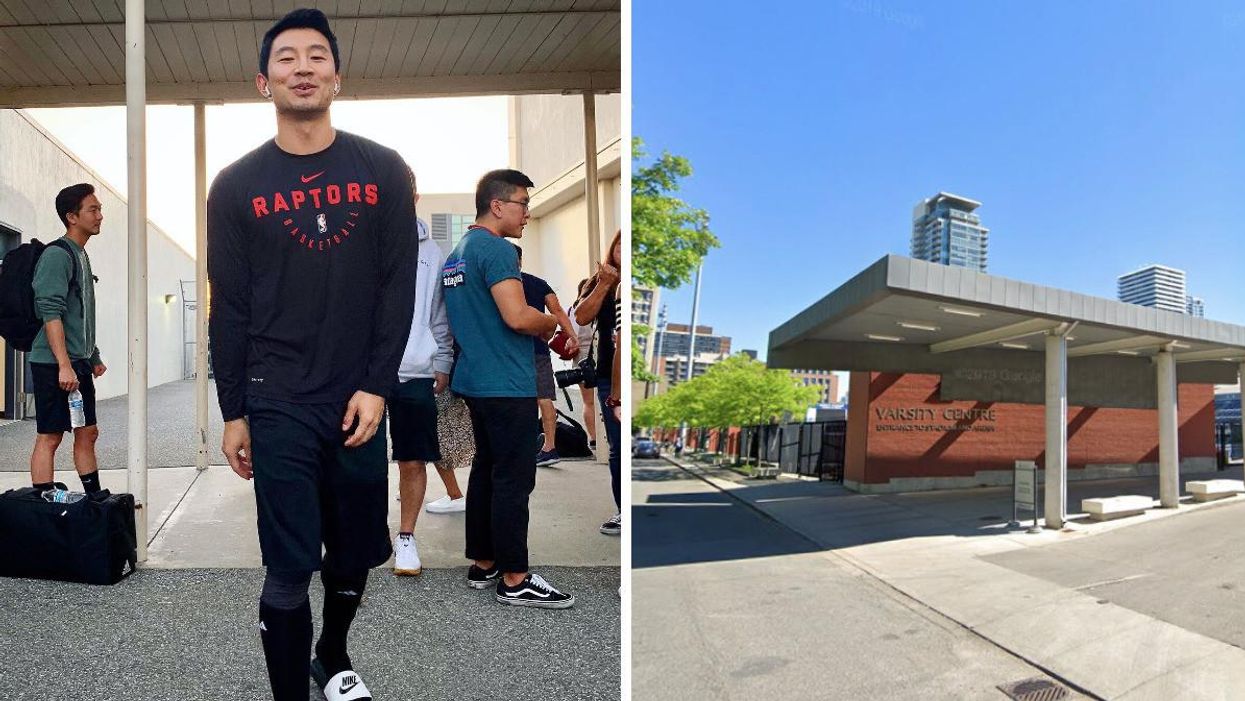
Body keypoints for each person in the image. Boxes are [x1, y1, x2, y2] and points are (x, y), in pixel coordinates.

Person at [206, 9, 417, 701]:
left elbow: (395, 288)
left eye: (317, 56)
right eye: (288, 58)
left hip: (356, 393)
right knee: (289, 560)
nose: (304, 66)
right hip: (276, 393)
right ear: (263, 80)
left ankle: (331, 650)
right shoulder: (235, 186)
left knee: (353, 552)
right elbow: (229, 304)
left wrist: (377, 384)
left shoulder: (383, 169)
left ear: (336, 74)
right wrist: (233, 409)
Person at [442, 168, 574, 609]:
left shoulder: (457, 255)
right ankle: (516, 578)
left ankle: (485, 563)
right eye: (522, 204)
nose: (527, 214)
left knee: (487, 471)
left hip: (476, 379)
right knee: (514, 478)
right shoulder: (496, 249)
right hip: (506, 382)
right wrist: (554, 321)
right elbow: (518, 317)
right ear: (497, 205)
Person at [390, 170, 459, 576]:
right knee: (352, 460)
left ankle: (406, 539)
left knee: (412, 459)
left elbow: (438, 316)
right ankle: (358, 536)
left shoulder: (432, 253)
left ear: (415, 197)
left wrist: (443, 360)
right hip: (360, 373)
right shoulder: (360, 242)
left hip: (415, 370)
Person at [29, 183, 107, 496]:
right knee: (50, 435)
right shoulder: (56, 255)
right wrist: (64, 365)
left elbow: (80, 313)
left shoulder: (81, 255)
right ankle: (41, 499)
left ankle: (95, 499)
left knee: (87, 432)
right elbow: (51, 313)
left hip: (77, 362)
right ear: (72, 216)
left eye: (100, 209)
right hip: (53, 363)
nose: (100, 216)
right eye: (93, 209)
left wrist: (93, 355)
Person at [574, 230, 622, 536]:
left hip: (625, 378)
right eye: (621, 244)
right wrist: (605, 283)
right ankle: (623, 511)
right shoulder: (598, 282)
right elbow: (580, 316)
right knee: (617, 447)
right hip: (606, 375)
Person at [513, 243, 578, 467]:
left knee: (519, 401)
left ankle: (525, 447)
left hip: (512, 352)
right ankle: (549, 447)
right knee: (544, 398)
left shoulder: (500, 285)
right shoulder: (539, 283)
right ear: (521, 260)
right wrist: (572, 336)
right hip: (537, 349)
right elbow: (557, 311)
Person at [567, 278, 598, 452]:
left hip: (578, 358)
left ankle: (593, 438)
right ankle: (602, 436)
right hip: (594, 355)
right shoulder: (593, 308)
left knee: (588, 402)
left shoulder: (571, 310)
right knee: (601, 399)